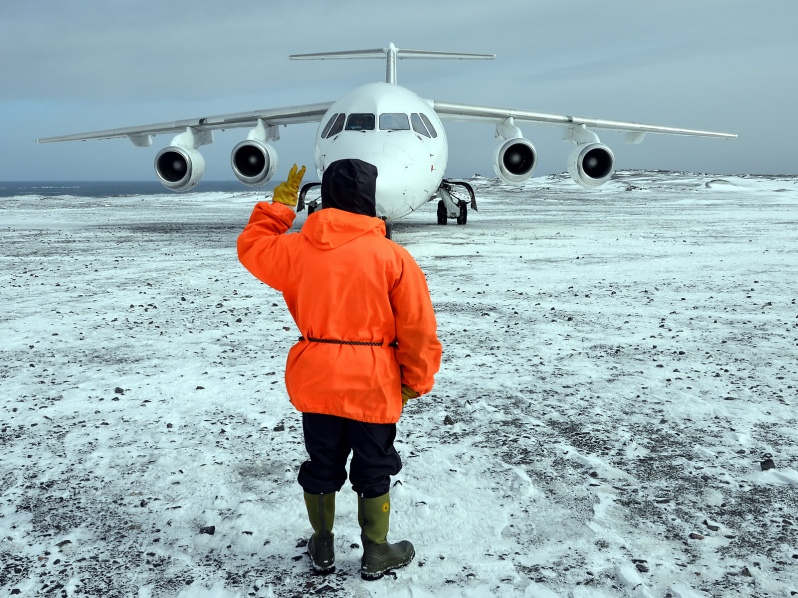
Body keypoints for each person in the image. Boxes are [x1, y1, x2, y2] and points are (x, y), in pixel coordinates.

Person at [237, 159, 442, 580]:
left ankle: (323, 544)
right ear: (369, 199)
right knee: (374, 466)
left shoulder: (295, 250)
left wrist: (278, 208)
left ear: (326, 197)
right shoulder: (393, 258)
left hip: (317, 378)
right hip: (373, 381)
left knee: (322, 462)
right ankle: (376, 551)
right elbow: (418, 329)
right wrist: (416, 381)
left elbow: (252, 248)